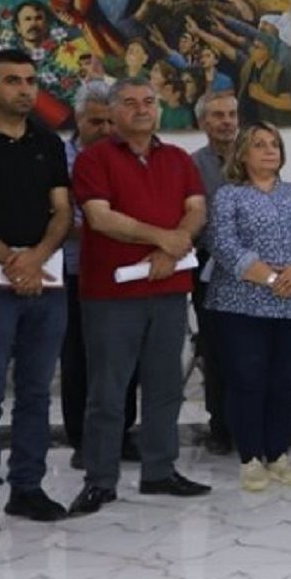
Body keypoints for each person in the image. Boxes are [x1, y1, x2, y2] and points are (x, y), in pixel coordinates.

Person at [68, 77, 211, 516]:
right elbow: (100, 218)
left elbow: (197, 209)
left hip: (169, 290)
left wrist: (173, 248)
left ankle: (159, 471)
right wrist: (163, 239)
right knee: (108, 392)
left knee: (165, 387)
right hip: (112, 294)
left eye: (149, 101)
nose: (142, 109)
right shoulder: (94, 159)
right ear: (114, 112)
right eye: (130, 102)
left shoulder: (179, 158)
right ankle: (100, 480)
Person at [0, 50, 72, 536]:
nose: (25, 89)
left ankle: (27, 487)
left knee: (35, 391)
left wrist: (35, 258)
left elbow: (62, 211)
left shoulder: (47, 142)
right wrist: (10, 259)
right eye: (12, 80)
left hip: (44, 285)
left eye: (30, 81)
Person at [207, 123, 291, 491]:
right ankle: (250, 458)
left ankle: (278, 453)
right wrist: (273, 279)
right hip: (242, 306)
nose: (269, 150)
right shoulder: (229, 196)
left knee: (286, 381)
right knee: (247, 380)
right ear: (242, 154)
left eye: (274, 144)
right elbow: (223, 244)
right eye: (259, 145)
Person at [60, 81, 143, 467]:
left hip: (123, 271)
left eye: (111, 121)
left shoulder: (127, 156)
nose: (105, 130)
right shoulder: (59, 158)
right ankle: (82, 439)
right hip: (76, 270)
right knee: (80, 358)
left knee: (124, 356)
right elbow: (59, 218)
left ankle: (122, 433)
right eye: (96, 122)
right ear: (78, 119)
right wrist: (104, 228)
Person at [189, 91, 240, 454]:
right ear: (203, 122)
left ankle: (250, 423)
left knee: (250, 351)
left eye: (232, 115)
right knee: (217, 350)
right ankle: (220, 426)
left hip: (255, 271)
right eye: (218, 115)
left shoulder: (255, 156)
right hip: (210, 267)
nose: (227, 122)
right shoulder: (191, 165)